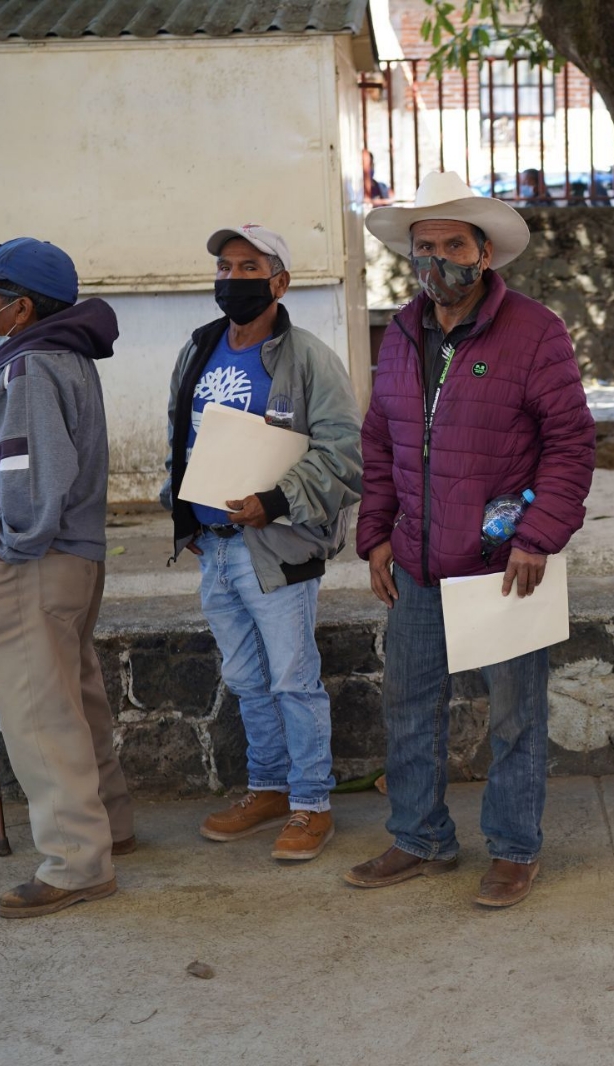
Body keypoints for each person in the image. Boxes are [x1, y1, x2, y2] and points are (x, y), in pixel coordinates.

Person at [346, 170, 595, 908]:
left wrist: (537, 536)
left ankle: (515, 849)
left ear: (484, 254)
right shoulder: (401, 331)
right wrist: (375, 536)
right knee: (409, 706)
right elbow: (382, 439)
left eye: (452, 245)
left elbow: (571, 446)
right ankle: (418, 837)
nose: (436, 260)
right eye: (424, 247)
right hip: (417, 559)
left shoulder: (536, 332)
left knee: (516, 717)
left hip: (502, 565)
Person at [0, 237, 132, 918]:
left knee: (40, 715)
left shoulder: (29, 368)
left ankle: (77, 864)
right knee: (76, 698)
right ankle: (109, 824)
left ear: (20, 308)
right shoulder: (66, 358)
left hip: (32, 562)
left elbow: (27, 473)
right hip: (71, 556)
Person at [161, 224, 363, 862]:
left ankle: (311, 804)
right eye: (224, 265)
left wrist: (273, 503)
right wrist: (185, 517)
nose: (232, 277)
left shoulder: (308, 358)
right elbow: (179, 438)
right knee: (247, 678)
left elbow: (344, 455)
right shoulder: (199, 348)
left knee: (293, 679)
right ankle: (269, 789)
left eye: (249, 267)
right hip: (214, 548)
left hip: (275, 549)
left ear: (279, 282)